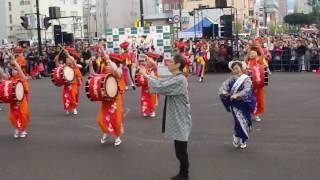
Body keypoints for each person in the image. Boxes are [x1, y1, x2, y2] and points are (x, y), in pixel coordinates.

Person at [139, 54, 192, 180]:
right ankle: (183, 173)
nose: (168, 63)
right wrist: (150, 73)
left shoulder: (180, 79)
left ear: (178, 65)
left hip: (180, 116)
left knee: (181, 150)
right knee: (179, 149)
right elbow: (162, 81)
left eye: (171, 62)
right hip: (178, 115)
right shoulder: (177, 77)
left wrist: (146, 75)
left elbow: (161, 86)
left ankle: (184, 175)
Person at [89, 51, 126, 146]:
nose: (108, 65)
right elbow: (94, 76)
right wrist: (90, 66)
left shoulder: (118, 72)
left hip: (116, 99)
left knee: (116, 119)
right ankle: (106, 132)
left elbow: (116, 71)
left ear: (115, 64)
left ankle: (117, 137)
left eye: (112, 62)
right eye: (108, 63)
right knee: (101, 119)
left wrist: (109, 60)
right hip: (105, 99)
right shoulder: (105, 73)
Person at [219, 60, 256, 149]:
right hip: (235, 104)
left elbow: (247, 90)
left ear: (241, 68)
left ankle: (242, 139)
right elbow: (223, 88)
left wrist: (238, 95)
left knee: (245, 121)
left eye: (237, 68)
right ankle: (237, 137)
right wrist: (225, 93)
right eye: (234, 69)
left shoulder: (246, 78)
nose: (235, 70)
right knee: (238, 122)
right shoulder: (230, 79)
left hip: (244, 103)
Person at [0, 54, 30, 138]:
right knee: (13, 116)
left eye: (15, 70)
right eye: (13, 70)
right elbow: (3, 75)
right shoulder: (10, 80)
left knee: (23, 115)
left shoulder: (22, 79)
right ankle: (17, 129)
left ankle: (23, 130)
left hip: (22, 101)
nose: (14, 71)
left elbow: (21, 72)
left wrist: (15, 63)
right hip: (13, 102)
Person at [54, 48, 83, 115]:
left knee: (73, 96)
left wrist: (67, 54)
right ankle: (68, 108)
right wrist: (57, 58)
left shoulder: (74, 66)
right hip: (67, 84)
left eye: (70, 59)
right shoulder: (64, 67)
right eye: (67, 59)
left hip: (74, 83)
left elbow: (73, 60)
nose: (69, 60)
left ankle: (74, 108)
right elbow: (57, 64)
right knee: (66, 96)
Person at [135, 52, 159, 117]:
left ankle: (152, 111)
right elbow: (137, 68)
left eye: (149, 60)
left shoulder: (154, 68)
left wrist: (147, 57)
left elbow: (154, 64)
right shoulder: (143, 67)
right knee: (144, 99)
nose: (148, 62)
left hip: (152, 86)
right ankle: (145, 111)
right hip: (145, 87)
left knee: (152, 99)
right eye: (147, 60)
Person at [246, 50, 266, 122]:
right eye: (250, 53)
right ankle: (248, 113)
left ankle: (256, 114)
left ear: (256, 54)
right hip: (248, 83)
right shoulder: (247, 62)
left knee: (257, 99)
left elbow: (263, 55)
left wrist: (259, 47)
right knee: (248, 99)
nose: (252, 55)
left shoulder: (258, 61)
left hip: (257, 84)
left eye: (253, 53)